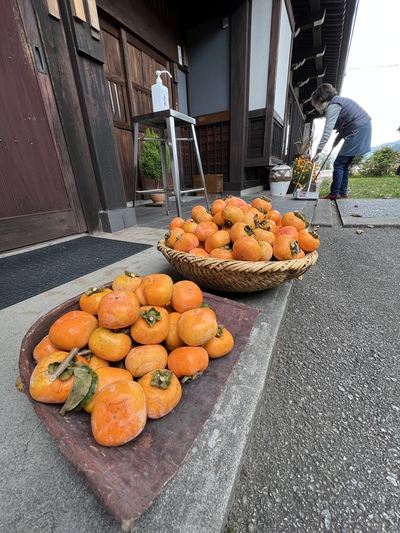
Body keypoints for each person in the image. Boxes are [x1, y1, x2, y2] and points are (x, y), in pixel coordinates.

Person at [311, 83, 372, 199]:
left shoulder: (333, 106)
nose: (315, 107)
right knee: (344, 164)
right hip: (362, 127)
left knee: (339, 163)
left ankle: (335, 193)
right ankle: (342, 192)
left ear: (320, 98)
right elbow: (345, 127)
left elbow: (327, 130)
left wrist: (318, 150)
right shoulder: (338, 101)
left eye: (315, 103)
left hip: (358, 129)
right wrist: (336, 141)